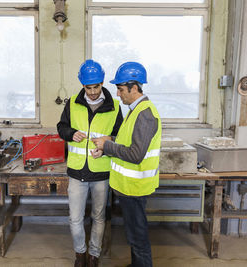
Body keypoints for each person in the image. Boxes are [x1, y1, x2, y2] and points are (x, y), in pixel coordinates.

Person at [92, 62, 161, 267]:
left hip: (135, 188)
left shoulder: (145, 114)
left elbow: (136, 154)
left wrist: (108, 145)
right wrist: (108, 142)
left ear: (133, 87)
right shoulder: (135, 110)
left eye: (121, 89)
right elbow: (126, 142)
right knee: (133, 234)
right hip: (128, 187)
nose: (118, 93)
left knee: (138, 237)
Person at [57, 59, 123, 267]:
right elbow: (61, 127)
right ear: (82, 85)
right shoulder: (73, 103)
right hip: (77, 171)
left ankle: (94, 255)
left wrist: (106, 145)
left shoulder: (114, 106)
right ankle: (80, 254)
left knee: (99, 217)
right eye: (88, 87)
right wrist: (71, 133)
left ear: (102, 83)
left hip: (101, 171)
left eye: (96, 87)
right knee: (75, 219)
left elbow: (119, 136)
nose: (93, 92)